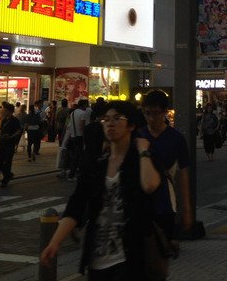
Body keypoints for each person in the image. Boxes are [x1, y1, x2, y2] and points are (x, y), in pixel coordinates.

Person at [41, 101, 161, 280]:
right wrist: (55, 242)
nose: (110, 123)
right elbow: (77, 204)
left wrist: (143, 151)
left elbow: (151, 185)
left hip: (130, 260)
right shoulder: (96, 165)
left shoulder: (140, 162)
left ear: (131, 125)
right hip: (96, 261)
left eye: (118, 118)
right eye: (106, 119)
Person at [139, 90, 192, 242]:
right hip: (140, 203)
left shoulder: (176, 138)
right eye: (147, 113)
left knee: (161, 252)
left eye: (155, 113)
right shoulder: (139, 136)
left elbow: (183, 175)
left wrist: (186, 211)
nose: (151, 118)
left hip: (165, 204)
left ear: (165, 112)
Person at [0, 104, 22, 187]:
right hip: (2, 143)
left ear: (11, 112)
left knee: (8, 161)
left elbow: (19, 131)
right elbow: (1, 131)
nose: (4, 111)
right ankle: (8, 174)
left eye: (6, 110)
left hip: (10, 143)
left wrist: (11, 136)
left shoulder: (15, 120)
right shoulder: (3, 120)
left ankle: (5, 179)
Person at [67, 99, 92, 178]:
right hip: (80, 136)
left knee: (76, 154)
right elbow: (82, 126)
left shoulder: (73, 113)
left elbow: (69, 123)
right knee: (78, 155)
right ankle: (73, 173)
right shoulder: (83, 113)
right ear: (84, 105)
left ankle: (76, 171)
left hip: (73, 135)